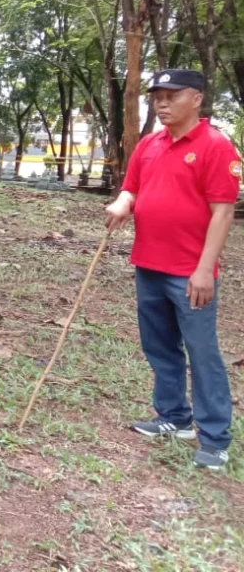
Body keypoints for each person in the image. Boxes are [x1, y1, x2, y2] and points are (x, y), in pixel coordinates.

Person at [105, 69, 239, 470]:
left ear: (196, 99)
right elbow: (133, 186)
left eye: (171, 95)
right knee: (160, 346)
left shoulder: (216, 146)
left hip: (188, 272)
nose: (162, 103)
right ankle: (174, 417)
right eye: (157, 96)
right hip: (149, 263)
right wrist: (122, 203)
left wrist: (204, 269)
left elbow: (223, 212)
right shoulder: (150, 144)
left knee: (202, 353)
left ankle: (214, 437)